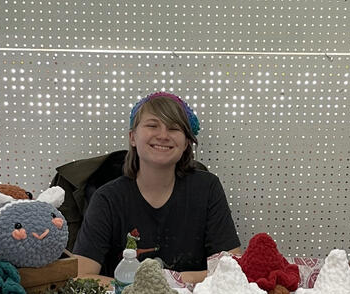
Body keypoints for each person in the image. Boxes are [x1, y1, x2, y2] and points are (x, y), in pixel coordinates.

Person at [73, 92, 241, 283]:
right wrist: (147, 286)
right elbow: (81, 276)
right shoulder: (107, 198)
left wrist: (170, 279)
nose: (163, 135)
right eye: (152, 125)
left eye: (174, 128)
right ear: (133, 137)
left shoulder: (208, 188)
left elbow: (231, 268)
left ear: (186, 142)